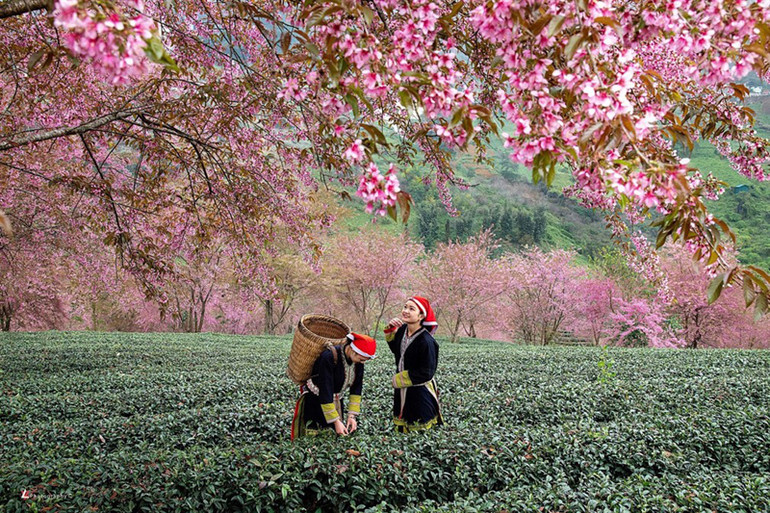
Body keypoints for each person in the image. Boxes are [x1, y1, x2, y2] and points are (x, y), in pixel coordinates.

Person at [291, 332, 376, 440]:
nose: (362, 363)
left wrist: (351, 416)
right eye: (362, 359)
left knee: (334, 436)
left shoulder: (358, 362)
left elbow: (356, 388)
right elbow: (325, 390)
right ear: (353, 351)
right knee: (315, 435)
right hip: (316, 401)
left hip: (336, 400)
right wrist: (336, 421)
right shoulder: (329, 357)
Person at [384, 296, 443, 433]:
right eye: (405, 307)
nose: (406, 311)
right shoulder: (402, 331)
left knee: (418, 427)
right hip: (402, 389)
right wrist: (391, 331)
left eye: (411, 309)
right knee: (402, 424)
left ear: (421, 315)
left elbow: (427, 372)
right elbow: (398, 352)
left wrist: (399, 379)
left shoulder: (427, 341)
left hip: (419, 391)